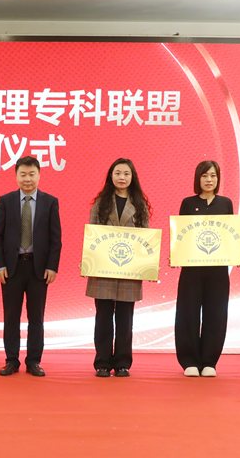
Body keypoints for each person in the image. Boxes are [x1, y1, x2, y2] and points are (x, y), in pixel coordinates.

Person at [174, 161, 240, 378]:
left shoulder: (226, 203)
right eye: (205, 176)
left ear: (218, 179)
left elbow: (231, 234)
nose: (209, 180)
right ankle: (189, 361)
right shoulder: (188, 203)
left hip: (217, 269)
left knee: (216, 313)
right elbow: (182, 233)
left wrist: (239, 255)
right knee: (187, 312)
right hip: (191, 268)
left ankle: (209, 361)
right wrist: (175, 253)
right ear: (198, 178)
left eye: (213, 176)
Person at [0, 156, 62, 377]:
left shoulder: (50, 202)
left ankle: (33, 361)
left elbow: (56, 239)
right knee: (11, 317)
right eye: (23, 174)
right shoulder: (6, 200)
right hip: (11, 268)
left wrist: (52, 267)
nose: (27, 179)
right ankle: (11, 360)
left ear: (39, 175)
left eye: (32, 174)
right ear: (16, 176)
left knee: (36, 318)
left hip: (38, 269)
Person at [86, 158, 151, 378]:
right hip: (102, 270)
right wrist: (88, 261)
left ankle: (123, 362)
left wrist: (148, 265)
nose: (122, 177)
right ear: (110, 176)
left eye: (126, 173)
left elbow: (146, 240)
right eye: (117, 173)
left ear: (132, 177)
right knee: (103, 318)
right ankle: (103, 363)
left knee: (125, 319)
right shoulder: (100, 203)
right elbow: (92, 236)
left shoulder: (140, 205)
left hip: (129, 271)